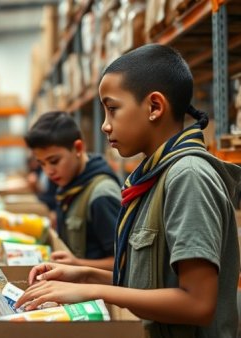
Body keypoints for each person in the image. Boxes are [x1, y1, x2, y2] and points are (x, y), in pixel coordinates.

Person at [15, 44, 241, 338]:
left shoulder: (187, 177)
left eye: (113, 109)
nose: (105, 126)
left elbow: (197, 304)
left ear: (154, 107)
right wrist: (84, 275)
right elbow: (153, 286)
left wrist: (96, 290)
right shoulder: (156, 176)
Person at [24, 112, 120, 270]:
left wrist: (77, 264)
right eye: (42, 163)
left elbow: (125, 264)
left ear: (78, 148)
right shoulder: (69, 182)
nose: (48, 171)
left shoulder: (101, 195)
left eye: (54, 161)